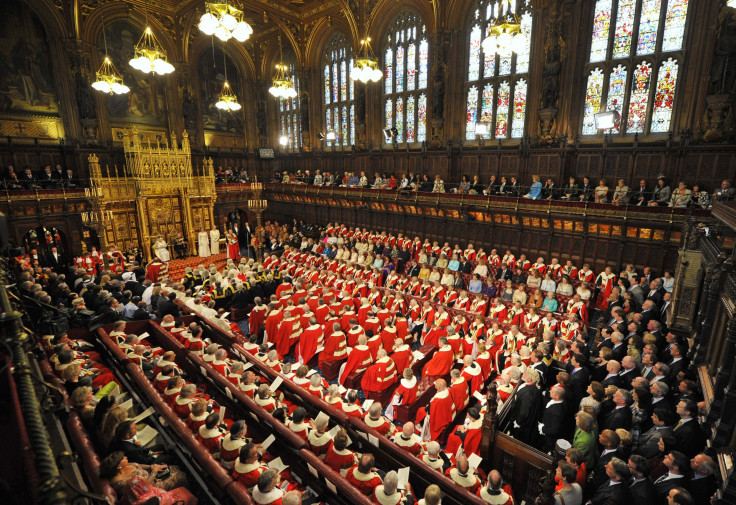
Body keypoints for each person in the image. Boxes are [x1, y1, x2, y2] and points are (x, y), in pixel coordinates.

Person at [99, 452, 197, 505]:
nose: (125, 457)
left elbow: (139, 465)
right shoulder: (121, 483)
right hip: (151, 487)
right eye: (123, 458)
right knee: (180, 476)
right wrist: (154, 472)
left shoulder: (127, 465)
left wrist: (152, 466)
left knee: (174, 468)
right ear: (119, 466)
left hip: (152, 474)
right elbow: (142, 488)